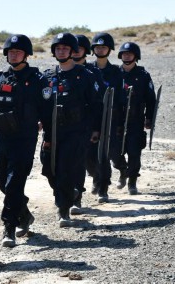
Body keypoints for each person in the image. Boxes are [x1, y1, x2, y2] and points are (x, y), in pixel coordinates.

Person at [0, 34, 51, 247]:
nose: (14, 55)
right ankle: (24, 215)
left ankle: (9, 227)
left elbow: (47, 111)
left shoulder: (38, 79)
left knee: (14, 182)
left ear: (26, 54)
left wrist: (49, 138)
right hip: (2, 139)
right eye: (10, 52)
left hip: (25, 139)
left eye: (18, 52)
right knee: (2, 182)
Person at [41, 33, 102, 228]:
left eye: (65, 48)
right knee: (49, 168)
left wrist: (95, 129)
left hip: (77, 131)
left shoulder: (84, 75)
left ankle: (63, 208)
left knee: (66, 168)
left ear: (72, 51)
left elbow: (95, 105)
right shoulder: (47, 76)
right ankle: (68, 193)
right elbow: (40, 104)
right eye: (58, 48)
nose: (61, 51)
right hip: (52, 131)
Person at [71, 35, 107, 212]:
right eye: (73, 48)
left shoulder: (93, 74)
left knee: (88, 160)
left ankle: (96, 180)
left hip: (87, 126)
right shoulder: (60, 72)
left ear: (86, 51)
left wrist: (96, 128)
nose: (76, 51)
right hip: (66, 127)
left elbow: (98, 103)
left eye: (80, 48)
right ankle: (71, 197)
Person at [115, 41, 156, 195]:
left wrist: (149, 118)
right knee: (115, 151)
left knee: (134, 151)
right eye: (124, 53)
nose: (127, 56)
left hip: (136, 119)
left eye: (130, 54)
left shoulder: (143, 75)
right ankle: (122, 170)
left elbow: (151, 100)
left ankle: (132, 181)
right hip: (117, 120)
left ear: (136, 56)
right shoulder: (115, 73)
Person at [90, 32, 126, 202]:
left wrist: (119, 123)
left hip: (111, 118)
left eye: (104, 47)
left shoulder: (116, 72)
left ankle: (103, 187)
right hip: (92, 118)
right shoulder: (87, 70)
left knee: (107, 153)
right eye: (97, 46)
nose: (100, 49)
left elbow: (120, 98)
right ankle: (96, 179)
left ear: (109, 49)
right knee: (90, 154)